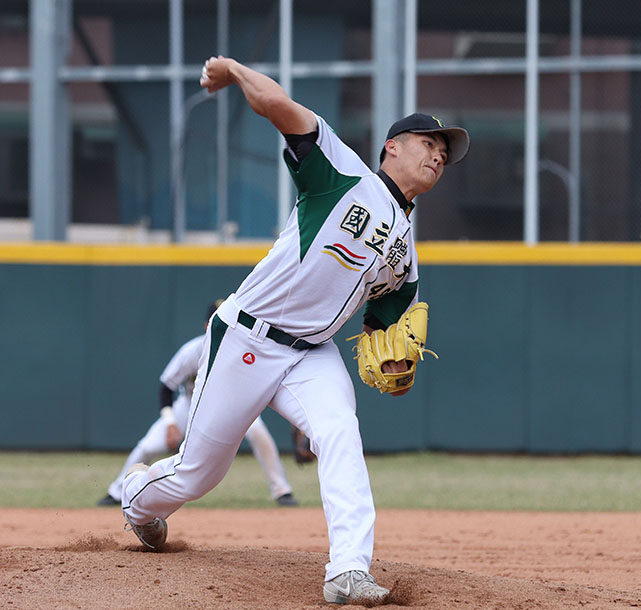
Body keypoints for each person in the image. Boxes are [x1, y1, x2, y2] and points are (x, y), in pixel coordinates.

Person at [120, 55, 468, 605]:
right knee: (199, 473)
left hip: (311, 353)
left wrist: (397, 358)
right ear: (392, 146)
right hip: (247, 339)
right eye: (429, 143)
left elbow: (389, 321)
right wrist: (233, 71)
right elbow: (280, 107)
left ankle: (347, 571)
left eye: (444, 154)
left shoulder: (405, 255)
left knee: (340, 432)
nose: (438, 156)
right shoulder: (342, 173)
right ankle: (139, 499)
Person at [98, 300, 300, 508]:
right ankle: (117, 492)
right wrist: (170, 424)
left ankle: (282, 490)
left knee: (258, 433)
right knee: (147, 446)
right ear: (208, 324)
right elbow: (166, 388)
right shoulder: (193, 351)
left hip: (232, 404)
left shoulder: (244, 351)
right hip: (190, 404)